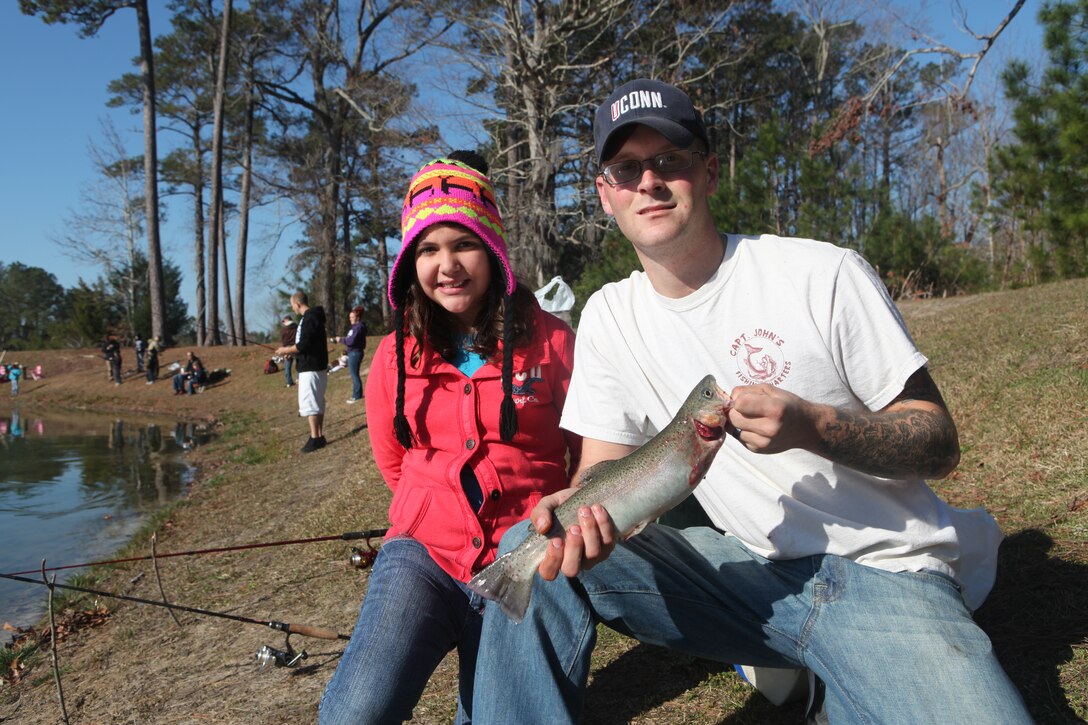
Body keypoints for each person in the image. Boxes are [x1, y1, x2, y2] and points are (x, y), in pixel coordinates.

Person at [471, 79, 1032, 724]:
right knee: (531, 547)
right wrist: (583, 508)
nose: (649, 182)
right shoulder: (609, 315)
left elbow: (938, 441)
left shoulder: (821, 273)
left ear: (708, 172)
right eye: (627, 169)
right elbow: (601, 465)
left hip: (886, 575)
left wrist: (817, 426)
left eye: (670, 161)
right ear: (606, 194)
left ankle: (833, 677)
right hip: (740, 576)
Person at [317, 151, 580, 725]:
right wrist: (433, 509)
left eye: (463, 244)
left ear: (492, 250)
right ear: (410, 264)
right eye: (429, 250)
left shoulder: (556, 342)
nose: (448, 265)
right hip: (423, 556)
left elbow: (584, 459)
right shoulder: (392, 355)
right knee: (353, 714)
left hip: (526, 556)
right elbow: (393, 461)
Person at [274, 291, 328, 453]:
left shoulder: (309, 318)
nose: (293, 309)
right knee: (317, 402)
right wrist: (292, 351)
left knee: (310, 403)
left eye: (293, 306)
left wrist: (285, 350)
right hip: (315, 365)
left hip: (310, 367)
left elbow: (303, 344)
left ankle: (315, 438)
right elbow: (307, 344)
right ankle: (318, 435)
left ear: (298, 304)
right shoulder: (313, 317)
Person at [331, 305, 367, 403]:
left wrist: (340, 340)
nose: (350, 319)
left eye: (352, 317)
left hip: (355, 353)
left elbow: (351, 341)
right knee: (354, 374)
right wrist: (347, 351)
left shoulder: (358, 328)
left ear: (357, 317)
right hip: (352, 352)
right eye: (350, 317)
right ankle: (357, 394)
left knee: (354, 374)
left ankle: (356, 395)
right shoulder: (355, 328)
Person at [279, 315, 298, 387]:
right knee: (299, 364)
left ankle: (289, 382)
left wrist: (285, 351)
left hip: (287, 348)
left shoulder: (283, 330)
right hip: (296, 347)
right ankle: (299, 379)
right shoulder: (297, 327)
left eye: (284, 321)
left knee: (287, 366)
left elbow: (283, 341)